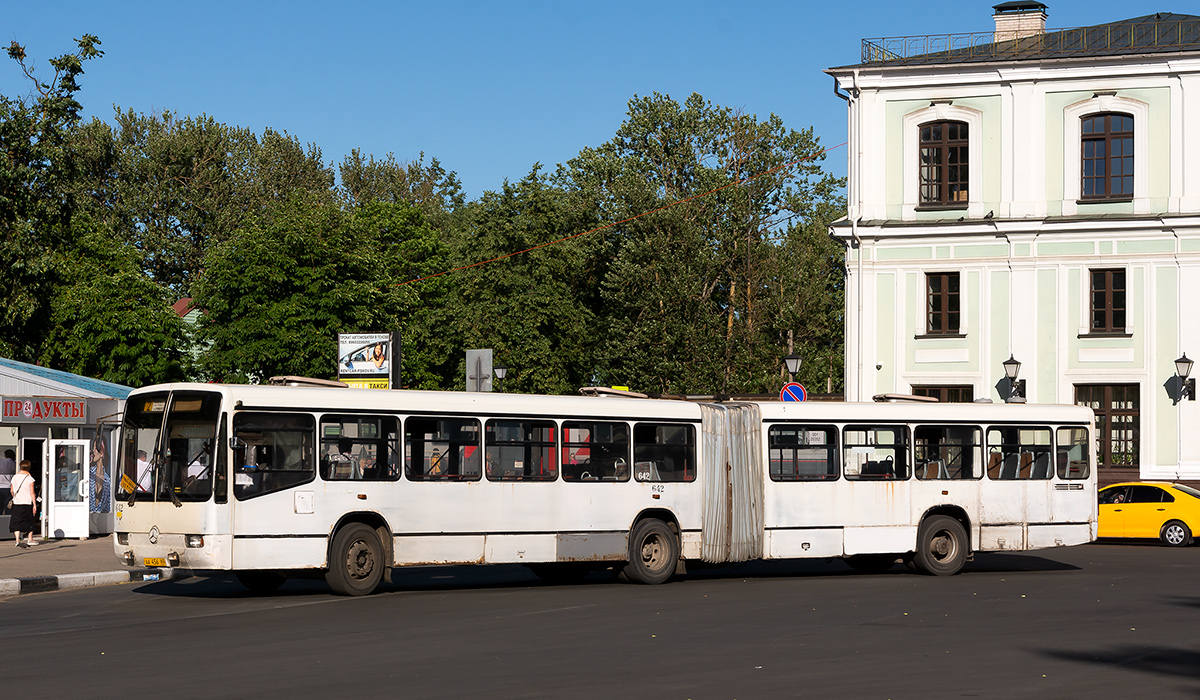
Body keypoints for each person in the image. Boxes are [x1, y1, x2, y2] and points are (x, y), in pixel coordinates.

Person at [9, 459, 38, 548]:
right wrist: (34, 504)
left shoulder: (15, 477)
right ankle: (30, 538)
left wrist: (15, 497)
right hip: (27, 502)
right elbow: (32, 492)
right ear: (29, 467)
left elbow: (11, 490)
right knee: (29, 521)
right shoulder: (30, 479)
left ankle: (17, 539)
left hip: (17, 502)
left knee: (16, 521)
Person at [0, 449, 15, 515]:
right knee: (8, 508)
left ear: (5, 455)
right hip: (9, 487)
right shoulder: (14, 464)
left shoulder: (1, 463)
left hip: (0, 487)